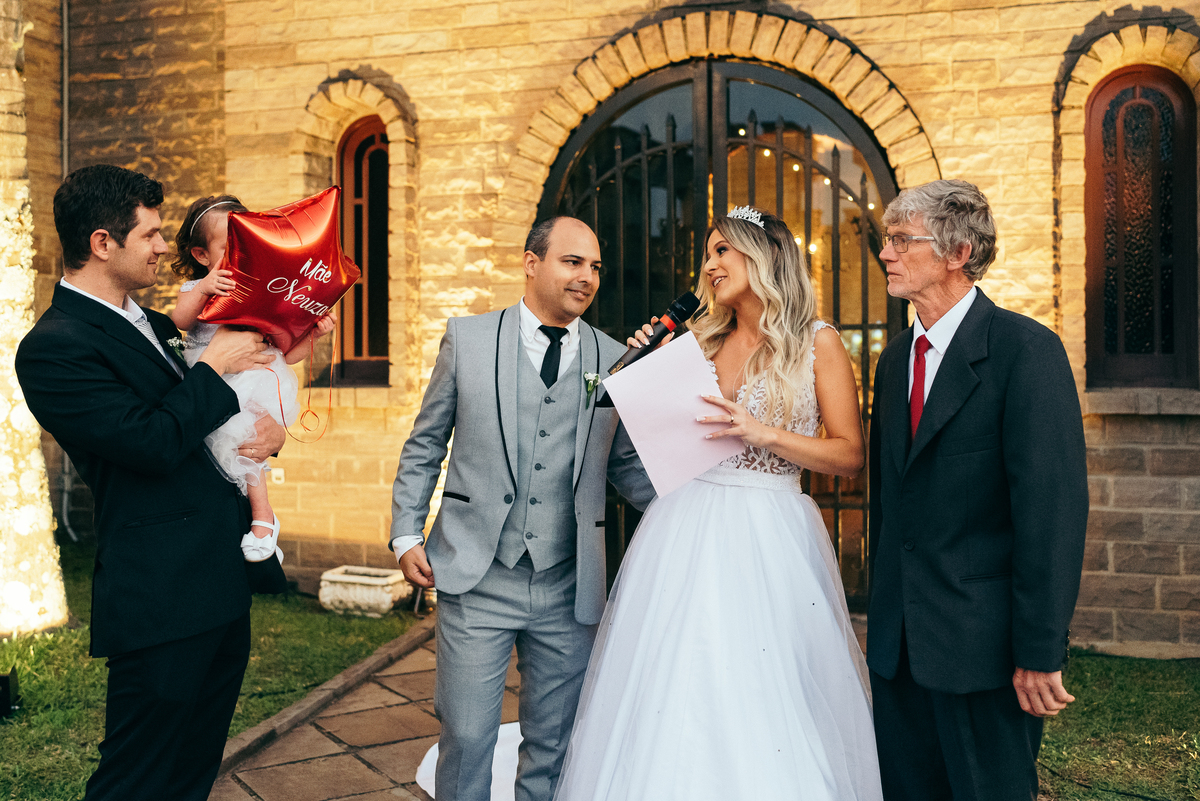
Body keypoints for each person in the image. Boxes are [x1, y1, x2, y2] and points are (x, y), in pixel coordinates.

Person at [552, 206, 883, 800]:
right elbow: (651, 433)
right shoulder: (700, 339)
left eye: (721, 252)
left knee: (763, 683)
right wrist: (643, 365)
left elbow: (851, 453)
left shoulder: (818, 342)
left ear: (763, 255)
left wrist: (769, 435)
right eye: (707, 255)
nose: (708, 267)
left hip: (769, 529)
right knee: (676, 679)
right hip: (685, 522)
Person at [14, 164, 283, 800]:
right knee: (135, 780)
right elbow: (151, 443)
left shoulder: (158, 325)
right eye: (152, 236)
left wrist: (268, 431)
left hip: (218, 581)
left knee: (192, 773)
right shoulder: (54, 346)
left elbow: (208, 426)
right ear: (103, 243)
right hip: (158, 596)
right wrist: (213, 370)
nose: (166, 247)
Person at [390, 216, 655, 801]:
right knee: (467, 735)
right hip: (476, 574)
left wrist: (691, 507)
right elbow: (427, 441)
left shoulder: (614, 359)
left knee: (554, 741)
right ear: (532, 263)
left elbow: (625, 466)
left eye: (596, 267)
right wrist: (406, 532)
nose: (587, 278)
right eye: (572, 262)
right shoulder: (468, 337)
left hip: (568, 581)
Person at [867, 179, 1088, 800]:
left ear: (958, 251)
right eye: (887, 240)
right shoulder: (893, 361)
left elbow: (1051, 514)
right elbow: (890, 507)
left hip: (984, 655)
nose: (886, 254)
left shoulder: (1026, 352)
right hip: (899, 652)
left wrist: (1040, 650)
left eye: (901, 241)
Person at [169, 194, 336, 561]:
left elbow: (286, 354)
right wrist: (204, 288)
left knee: (249, 445)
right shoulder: (198, 289)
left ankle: (263, 520)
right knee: (223, 453)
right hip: (210, 381)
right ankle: (253, 524)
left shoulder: (267, 288)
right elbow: (178, 322)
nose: (242, 252)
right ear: (201, 256)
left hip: (258, 379)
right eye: (230, 245)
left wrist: (314, 334)